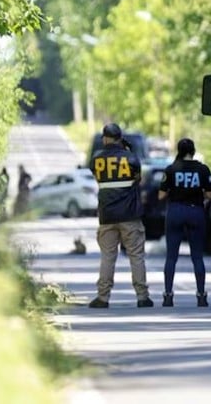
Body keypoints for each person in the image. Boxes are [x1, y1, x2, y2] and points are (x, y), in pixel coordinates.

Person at [87, 123, 153, 308]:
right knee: (136, 256)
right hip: (130, 215)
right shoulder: (131, 158)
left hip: (107, 216)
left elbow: (98, 177)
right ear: (120, 138)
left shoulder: (97, 160)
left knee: (108, 256)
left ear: (106, 138)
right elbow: (138, 179)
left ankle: (103, 297)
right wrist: (129, 152)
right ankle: (142, 297)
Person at [157, 137, 211, 307]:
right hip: (195, 211)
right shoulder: (202, 170)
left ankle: (168, 294)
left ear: (179, 151)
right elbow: (210, 194)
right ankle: (201, 294)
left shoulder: (171, 169)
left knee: (171, 257)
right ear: (193, 151)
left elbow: (161, 195)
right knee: (197, 256)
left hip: (175, 211)